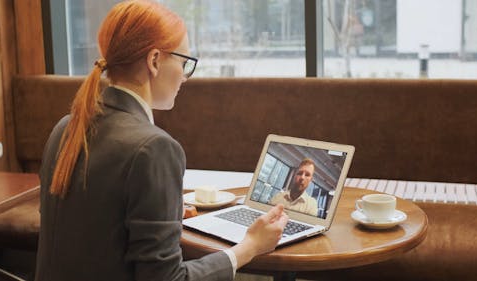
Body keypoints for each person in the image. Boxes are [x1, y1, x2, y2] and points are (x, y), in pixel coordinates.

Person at [34, 1, 288, 280]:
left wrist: (163, 209)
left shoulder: (66, 127)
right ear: (154, 61)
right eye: (183, 62)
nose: (185, 77)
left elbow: (95, 224)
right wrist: (249, 247)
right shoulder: (153, 148)